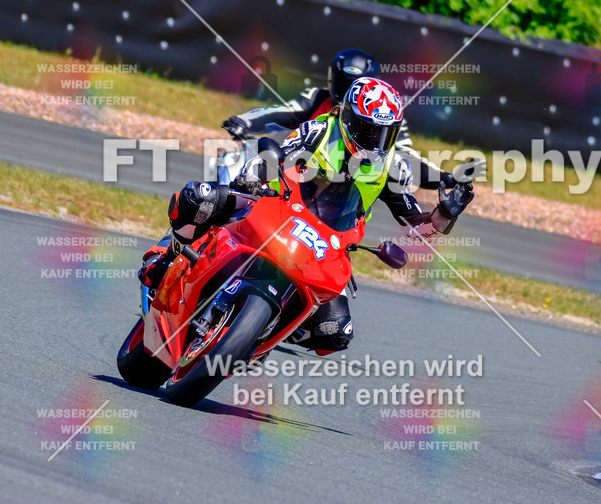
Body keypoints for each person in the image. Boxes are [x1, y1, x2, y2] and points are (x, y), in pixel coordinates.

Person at [139, 77, 476, 353]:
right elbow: (275, 154)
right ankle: (168, 256)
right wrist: (252, 177)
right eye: (367, 130)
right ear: (347, 119)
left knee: (335, 333)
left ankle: (257, 336)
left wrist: (444, 216)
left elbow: (417, 228)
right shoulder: (321, 131)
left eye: (384, 134)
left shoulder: (390, 168)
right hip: (273, 205)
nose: (375, 142)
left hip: (327, 243)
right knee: (200, 197)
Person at [222, 48, 459, 189]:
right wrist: (246, 121)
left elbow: (409, 161)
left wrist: (445, 179)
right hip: (296, 175)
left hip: (339, 193)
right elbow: (281, 111)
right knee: (232, 161)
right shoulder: (317, 97)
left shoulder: (385, 119)